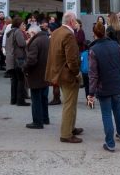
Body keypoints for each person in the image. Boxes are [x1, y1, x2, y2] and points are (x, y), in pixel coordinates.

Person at [88, 22, 120, 152]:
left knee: (106, 114)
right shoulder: (116, 45)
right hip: (117, 83)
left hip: (104, 86)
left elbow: (93, 74)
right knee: (117, 108)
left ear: (94, 34)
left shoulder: (94, 50)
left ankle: (110, 143)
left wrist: (91, 93)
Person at [45, 11, 83, 143]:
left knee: (70, 103)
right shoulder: (68, 35)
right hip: (67, 74)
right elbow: (71, 59)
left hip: (58, 72)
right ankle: (66, 134)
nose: (76, 23)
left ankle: (71, 128)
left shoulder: (56, 32)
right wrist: (77, 73)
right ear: (71, 21)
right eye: (75, 20)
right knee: (69, 104)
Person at [22, 25, 50, 129]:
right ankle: (45, 118)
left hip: (36, 74)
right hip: (45, 73)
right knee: (43, 98)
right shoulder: (46, 39)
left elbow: (31, 60)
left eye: (29, 34)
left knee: (36, 99)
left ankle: (37, 122)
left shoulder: (35, 42)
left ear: (33, 33)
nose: (28, 36)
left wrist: (24, 68)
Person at [5, 17, 30, 106]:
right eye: (23, 24)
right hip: (19, 58)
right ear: (19, 24)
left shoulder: (10, 32)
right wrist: (28, 40)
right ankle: (20, 101)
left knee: (14, 80)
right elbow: (21, 44)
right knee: (21, 80)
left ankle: (13, 99)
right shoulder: (18, 32)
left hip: (11, 58)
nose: (24, 25)